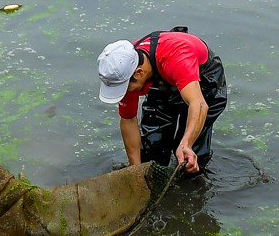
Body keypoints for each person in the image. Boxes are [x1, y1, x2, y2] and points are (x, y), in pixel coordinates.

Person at [97, 27, 229, 173]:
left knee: (188, 157)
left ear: (139, 73)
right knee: (152, 152)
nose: (125, 92)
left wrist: (186, 143)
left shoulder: (177, 58)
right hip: (161, 77)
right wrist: (136, 171)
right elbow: (128, 120)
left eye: (125, 87)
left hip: (202, 76)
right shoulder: (124, 69)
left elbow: (199, 104)